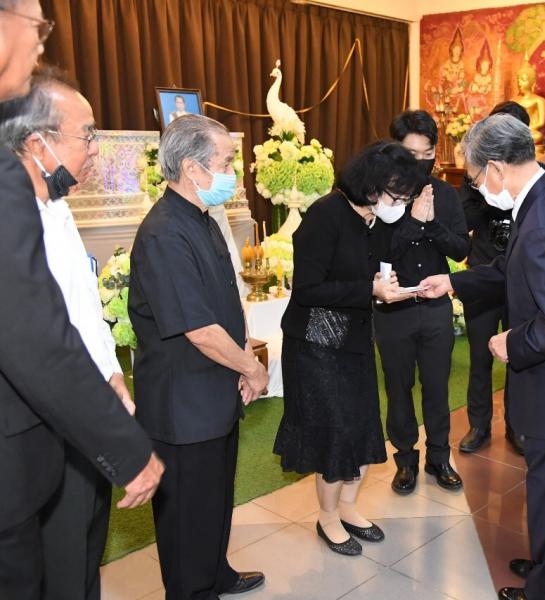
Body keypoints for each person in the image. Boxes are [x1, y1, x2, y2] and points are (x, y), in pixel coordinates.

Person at [420, 114, 545, 600]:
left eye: (475, 178)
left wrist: (509, 343)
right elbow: (512, 268)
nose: (478, 189)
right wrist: (453, 281)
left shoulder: (543, 223)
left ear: (495, 168)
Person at [0, 3, 163, 598]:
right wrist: (124, 443)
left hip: (83, 406)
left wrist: (112, 377)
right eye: (87, 134)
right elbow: (34, 334)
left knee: (83, 556)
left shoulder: (57, 206)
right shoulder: (13, 200)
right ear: (38, 141)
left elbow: (81, 311)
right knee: (58, 564)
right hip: (42, 422)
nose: (96, 148)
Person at [128, 114, 269, 598]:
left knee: (214, 499)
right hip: (182, 404)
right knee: (187, 514)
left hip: (213, 392)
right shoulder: (164, 232)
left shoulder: (202, 218)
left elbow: (225, 302)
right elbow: (200, 330)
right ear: (192, 168)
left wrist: (245, 354)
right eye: (226, 163)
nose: (233, 172)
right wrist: (252, 368)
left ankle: (215, 572)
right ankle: (193, 589)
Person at [275, 141, 421, 556]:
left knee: (360, 425)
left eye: (405, 197)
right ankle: (327, 517)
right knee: (334, 433)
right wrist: (369, 290)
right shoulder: (326, 215)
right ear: (371, 186)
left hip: (354, 339)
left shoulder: (374, 220)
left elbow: (374, 272)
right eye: (396, 196)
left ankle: (349, 508)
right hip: (317, 344)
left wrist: (385, 288)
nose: (400, 204)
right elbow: (308, 289)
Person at [373, 110, 469, 495]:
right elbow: (377, 253)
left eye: (427, 154)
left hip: (434, 307)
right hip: (393, 309)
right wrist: (412, 222)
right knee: (398, 388)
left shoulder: (444, 194)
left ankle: (439, 457)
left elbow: (460, 248)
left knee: (437, 387)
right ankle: (405, 461)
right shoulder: (378, 196)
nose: (420, 162)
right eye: (411, 154)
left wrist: (430, 224)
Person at [457, 100, 530, 456]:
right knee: (480, 356)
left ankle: (518, 425)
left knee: (519, 354)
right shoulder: (477, 172)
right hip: (484, 273)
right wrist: (493, 192)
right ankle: (478, 424)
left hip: (520, 279)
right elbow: (465, 220)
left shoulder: (530, 177)